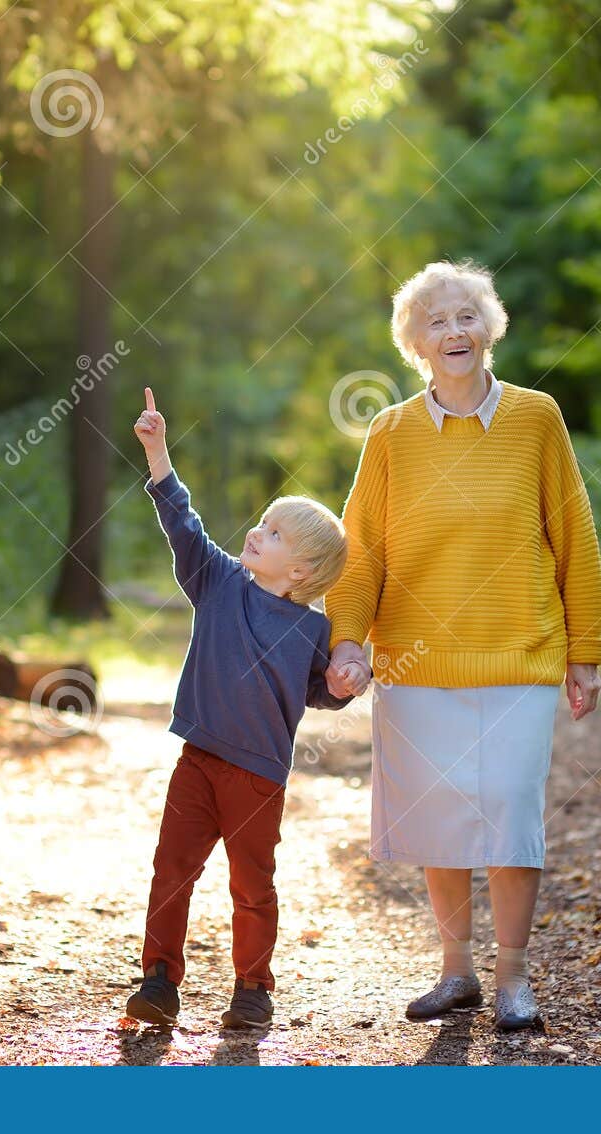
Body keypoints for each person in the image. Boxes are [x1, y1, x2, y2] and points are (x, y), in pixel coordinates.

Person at [322, 259, 601, 1032]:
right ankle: (457, 973)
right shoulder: (390, 434)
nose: (455, 331)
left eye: (466, 316)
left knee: (512, 817)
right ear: (415, 344)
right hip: (415, 664)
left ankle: (514, 979)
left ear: (490, 327)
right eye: (437, 322)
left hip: (519, 656)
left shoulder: (537, 418)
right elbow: (363, 550)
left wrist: (587, 649)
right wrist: (348, 641)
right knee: (440, 821)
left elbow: (573, 536)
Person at [127, 387, 360, 1031]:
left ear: (303, 570)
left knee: (252, 886)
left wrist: (341, 683)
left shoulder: (312, 630)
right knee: (171, 870)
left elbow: (318, 690)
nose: (256, 532)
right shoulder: (219, 581)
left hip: (258, 778)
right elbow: (186, 529)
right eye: (261, 522)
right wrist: (159, 458)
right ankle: (158, 979)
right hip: (198, 760)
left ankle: (252, 989)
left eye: (274, 532)